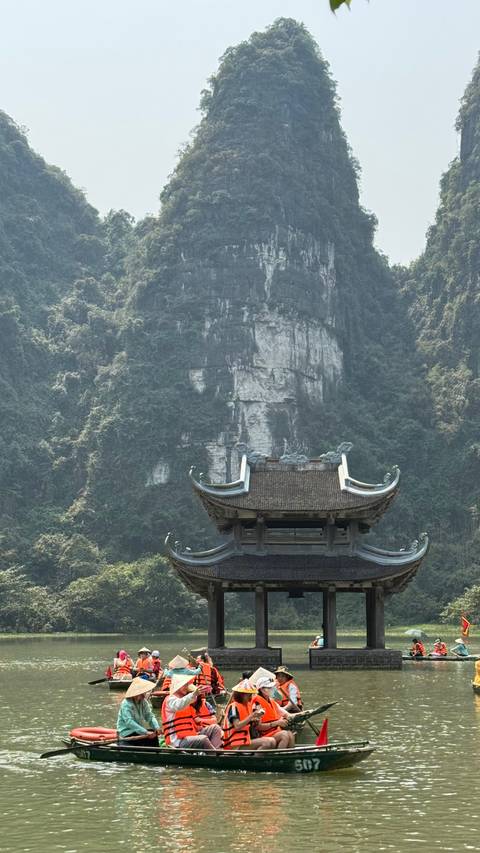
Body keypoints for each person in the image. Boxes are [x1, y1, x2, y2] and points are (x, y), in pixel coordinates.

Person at [161, 673, 223, 749]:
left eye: (187, 685)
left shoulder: (187, 701)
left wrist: (201, 728)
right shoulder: (170, 700)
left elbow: (192, 722)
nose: (187, 687)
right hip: (178, 741)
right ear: (178, 686)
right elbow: (179, 705)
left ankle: (216, 752)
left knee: (215, 728)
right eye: (185, 685)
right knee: (203, 739)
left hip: (191, 735)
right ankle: (215, 757)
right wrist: (194, 693)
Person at [222, 679, 276, 751]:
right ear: (242, 695)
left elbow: (248, 723)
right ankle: (254, 761)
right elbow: (237, 726)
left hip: (246, 740)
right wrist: (252, 716)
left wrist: (255, 720)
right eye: (249, 695)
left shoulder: (247, 706)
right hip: (234, 745)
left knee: (272, 741)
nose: (251, 697)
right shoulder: (233, 706)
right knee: (267, 742)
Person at [252, 676, 295, 749]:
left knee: (290, 734)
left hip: (274, 731)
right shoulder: (257, 704)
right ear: (262, 690)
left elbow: (286, 714)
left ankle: (289, 756)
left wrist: (302, 715)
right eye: (270, 688)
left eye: (273, 687)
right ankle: (278, 757)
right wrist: (277, 723)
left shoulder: (271, 701)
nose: (273, 689)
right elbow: (258, 727)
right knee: (284, 735)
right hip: (262, 735)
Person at [116, 677, 162, 746]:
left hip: (138, 732)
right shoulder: (126, 704)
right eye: (142, 693)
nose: (144, 695)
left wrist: (156, 727)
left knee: (154, 737)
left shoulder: (143, 702)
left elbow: (149, 716)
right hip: (126, 734)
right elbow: (129, 722)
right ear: (136, 693)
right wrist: (145, 732)